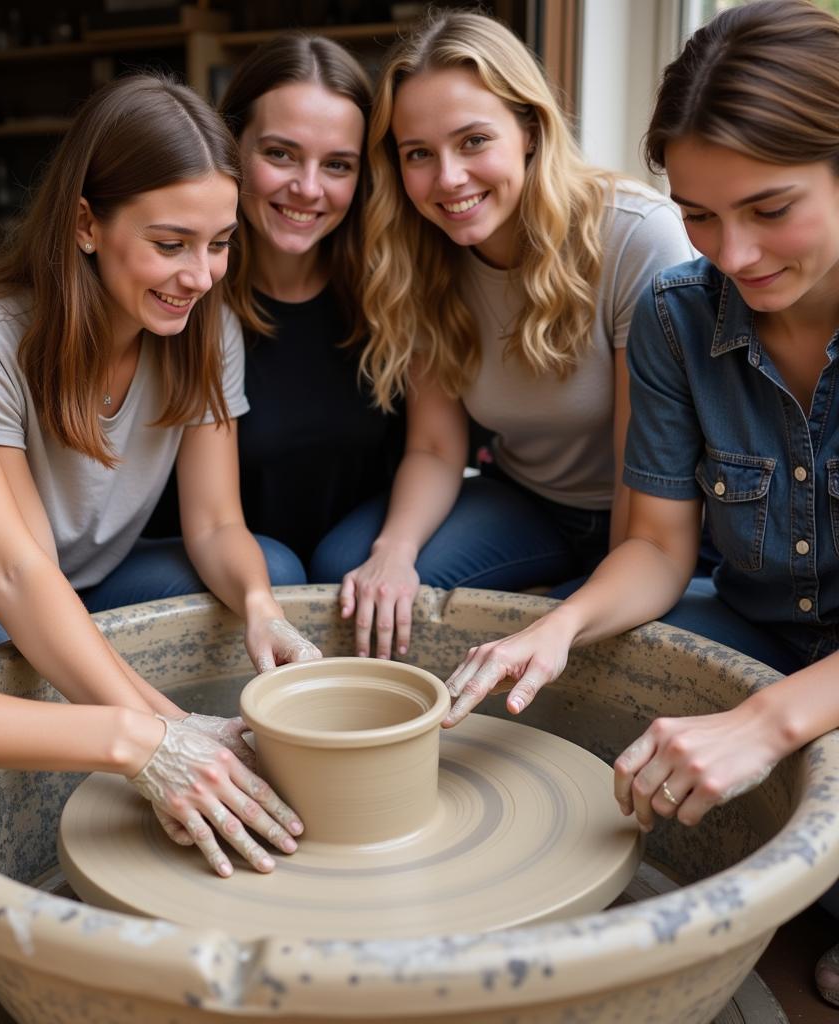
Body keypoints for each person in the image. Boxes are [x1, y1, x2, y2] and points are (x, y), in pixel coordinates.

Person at [0, 2, 303, 1009]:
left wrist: (176, 727)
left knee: (258, 595)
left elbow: (20, 565)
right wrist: (143, 741)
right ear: (87, 223)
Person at [437, 0, 839, 1007]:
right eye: (698, 214)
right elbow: (658, 548)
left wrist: (768, 721)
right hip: (753, 624)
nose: (733, 255)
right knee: (572, 714)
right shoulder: (676, 314)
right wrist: (560, 626)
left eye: (769, 208)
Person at [0, 72, 321, 676]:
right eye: (171, 243)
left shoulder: (206, 325)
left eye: (219, 243)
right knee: (11, 655)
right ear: (85, 225)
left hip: (77, 584)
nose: (201, 277)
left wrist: (262, 610)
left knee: (271, 576)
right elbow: (22, 572)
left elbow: (214, 524)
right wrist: (168, 733)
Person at [317, 10, 692, 660]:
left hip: (650, 523)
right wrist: (393, 555)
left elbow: (645, 476)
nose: (449, 179)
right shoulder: (424, 253)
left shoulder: (634, 236)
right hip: (530, 502)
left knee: (582, 648)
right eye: (418, 155)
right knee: (350, 577)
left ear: (528, 128)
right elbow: (436, 448)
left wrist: (572, 607)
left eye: (472, 141)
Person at [149, 34, 405, 573]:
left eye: (338, 165)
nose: (308, 188)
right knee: (277, 568)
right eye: (280, 154)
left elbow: (432, 452)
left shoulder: (389, 292)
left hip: (352, 574)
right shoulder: (178, 294)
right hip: (209, 570)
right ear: (230, 148)